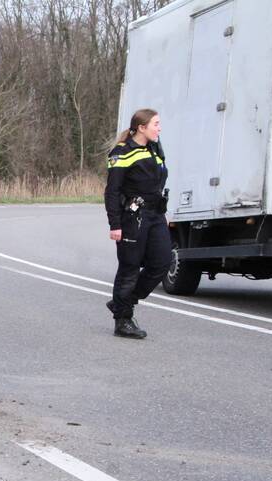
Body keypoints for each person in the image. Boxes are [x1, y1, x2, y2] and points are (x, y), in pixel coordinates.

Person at [104, 109, 170, 339]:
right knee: (130, 267)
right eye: (156, 124)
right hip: (133, 217)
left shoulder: (155, 149)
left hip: (156, 216)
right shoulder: (122, 152)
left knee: (162, 263)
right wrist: (115, 225)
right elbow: (112, 192)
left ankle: (123, 301)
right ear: (142, 127)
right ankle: (123, 320)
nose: (159, 128)